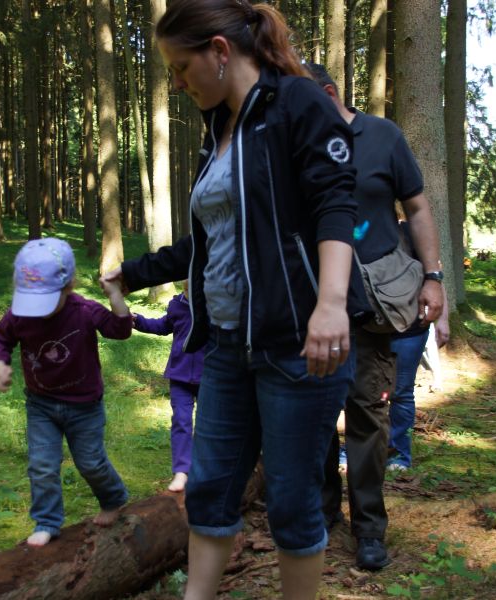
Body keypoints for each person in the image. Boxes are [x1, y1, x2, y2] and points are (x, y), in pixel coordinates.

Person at [101, 2, 359, 597]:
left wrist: (330, 304)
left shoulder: (298, 102)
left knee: (292, 502)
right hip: (225, 347)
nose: (177, 82)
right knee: (210, 490)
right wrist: (133, 274)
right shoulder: (219, 127)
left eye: (180, 66)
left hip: (298, 345)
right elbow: (214, 239)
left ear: (219, 51)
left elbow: (335, 205)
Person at [309, 63, 445, 572]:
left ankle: (369, 528)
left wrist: (434, 277)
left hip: (374, 306)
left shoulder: (383, 136)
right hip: (312, 306)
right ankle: (324, 513)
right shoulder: (297, 143)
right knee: (315, 415)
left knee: (368, 414)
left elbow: (419, 209)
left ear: (328, 93)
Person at [0, 237, 131, 547]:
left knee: (91, 462)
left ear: (69, 286)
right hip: (41, 405)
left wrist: (115, 295)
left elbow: (120, 330)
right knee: (42, 465)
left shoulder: (84, 310)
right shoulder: (20, 314)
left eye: (46, 300)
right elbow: (0, 339)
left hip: (85, 406)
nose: (38, 311)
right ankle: (47, 521)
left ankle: (113, 498)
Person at [387, 223, 450, 472]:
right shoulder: (359, 224)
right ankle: (359, 451)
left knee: (401, 392)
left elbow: (436, 278)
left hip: (411, 326)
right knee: (363, 393)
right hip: (367, 325)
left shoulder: (413, 231)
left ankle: (398, 455)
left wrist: (442, 320)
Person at [132, 283, 203, 492]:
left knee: (208, 426)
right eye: (187, 289)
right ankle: (182, 471)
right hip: (179, 376)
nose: (190, 293)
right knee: (181, 420)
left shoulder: (215, 306)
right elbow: (163, 326)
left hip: (208, 378)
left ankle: (207, 468)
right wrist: (138, 320)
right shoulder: (177, 305)